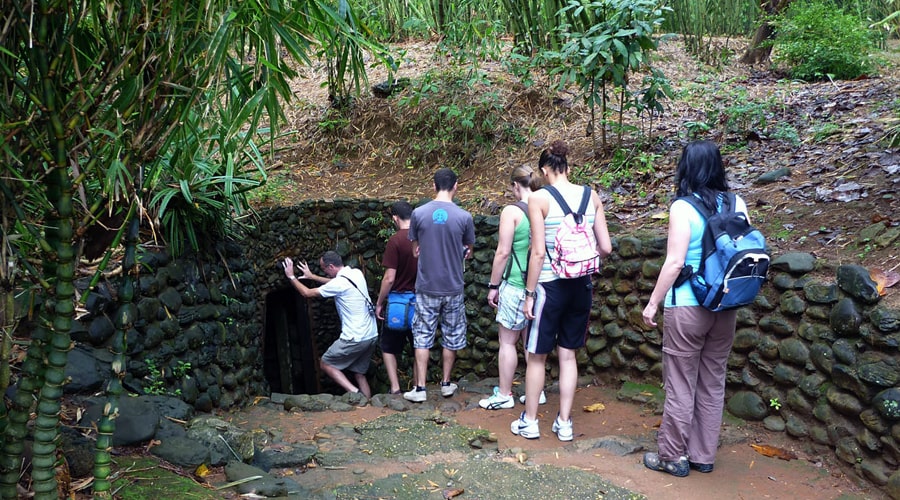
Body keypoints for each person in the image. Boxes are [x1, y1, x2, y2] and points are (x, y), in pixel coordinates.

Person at [640, 140, 744, 476]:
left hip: (687, 305)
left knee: (681, 383)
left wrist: (653, 303)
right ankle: (702, 454)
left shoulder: (683, 208)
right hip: (725, 305)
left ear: (686, 167)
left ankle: (673, 456)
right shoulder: (736, 202)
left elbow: (674, 263)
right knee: (713, 381)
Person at [512, 140, 612, 441]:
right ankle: (565, 423)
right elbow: (605, 247)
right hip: (581, 285)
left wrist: (529, 294)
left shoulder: (539, 199)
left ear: (544, 169)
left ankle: (530, 420)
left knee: (537, 356)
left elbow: (538, 253)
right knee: (568, 355)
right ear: (568, 167)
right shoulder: (590, 195)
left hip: (549, 287)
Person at [403, 168, 476, 403]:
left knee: (422, 336)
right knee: (451, 335)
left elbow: (415, 250)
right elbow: (468, 251)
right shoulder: (464, 217)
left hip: (426, 286)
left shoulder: (418, 213)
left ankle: (421, 388)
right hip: (453, 286)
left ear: (433, 187)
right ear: (456, 186)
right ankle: (446, 383)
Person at [480, 165, 547, 410]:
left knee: (508, 341)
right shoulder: (546, 205)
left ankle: (505, 394)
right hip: (541, 285)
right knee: (533, 341)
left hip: (517, 283)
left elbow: (503, 251)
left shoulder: (512, 211)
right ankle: (535, 392)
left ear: (516, 186)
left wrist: (493, 285)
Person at [282, 251, 378, 398]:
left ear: (331, 266)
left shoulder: (339, 283)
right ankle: (370, 404)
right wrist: (312, 276)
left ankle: (355, 394)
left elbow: (307, 293)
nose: (324, 272)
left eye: (324, 269)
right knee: (359, 374)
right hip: (371, 335)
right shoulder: (356, 273)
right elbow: (335, 284)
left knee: (326, 364)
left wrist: (291, 276)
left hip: (355, 337)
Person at [374, 201, 418, 395]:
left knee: (389, 347)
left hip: (398, 302)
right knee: (419, 345)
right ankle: (419, 386)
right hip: (420, 301)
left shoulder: (395, 241)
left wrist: (379, 302)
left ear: (395, 218)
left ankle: (395, 388)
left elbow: (389, 277)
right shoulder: (422, 238)